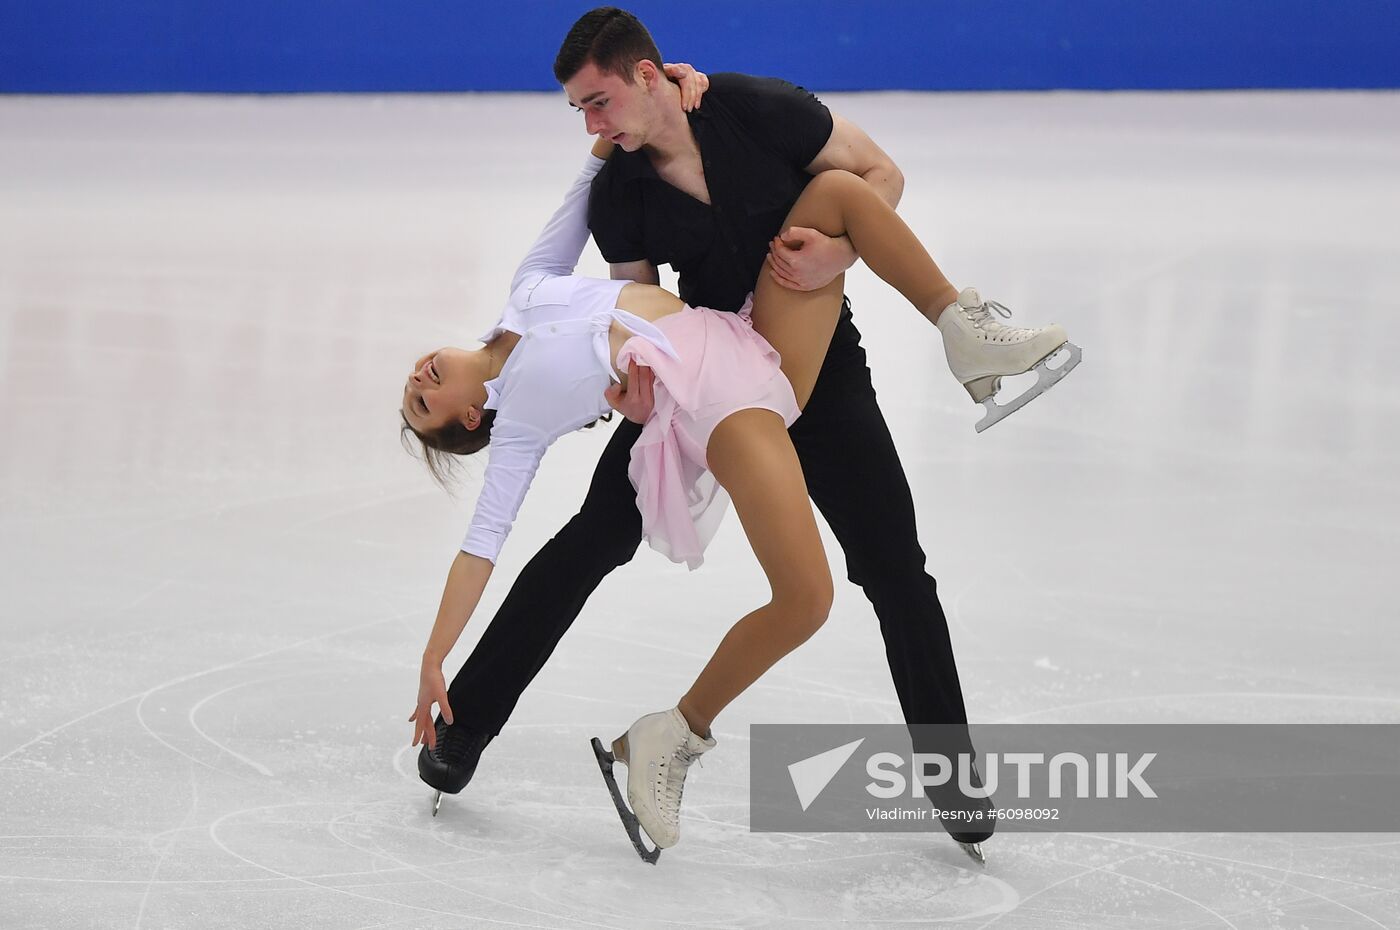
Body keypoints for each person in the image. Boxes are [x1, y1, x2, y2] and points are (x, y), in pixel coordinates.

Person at [412, 7, 1077, 864]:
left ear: (649, 74)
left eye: (599, 102)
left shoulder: (757, 108)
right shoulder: (621, 188)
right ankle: (464, 732)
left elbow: (879, 176)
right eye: (580, 111)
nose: (591, 124)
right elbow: (634, 308)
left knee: (893, 565)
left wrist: (837, 260)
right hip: (701, 372)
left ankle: (951, 778)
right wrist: (635, 402)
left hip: (811, 358)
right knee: (592, 539)